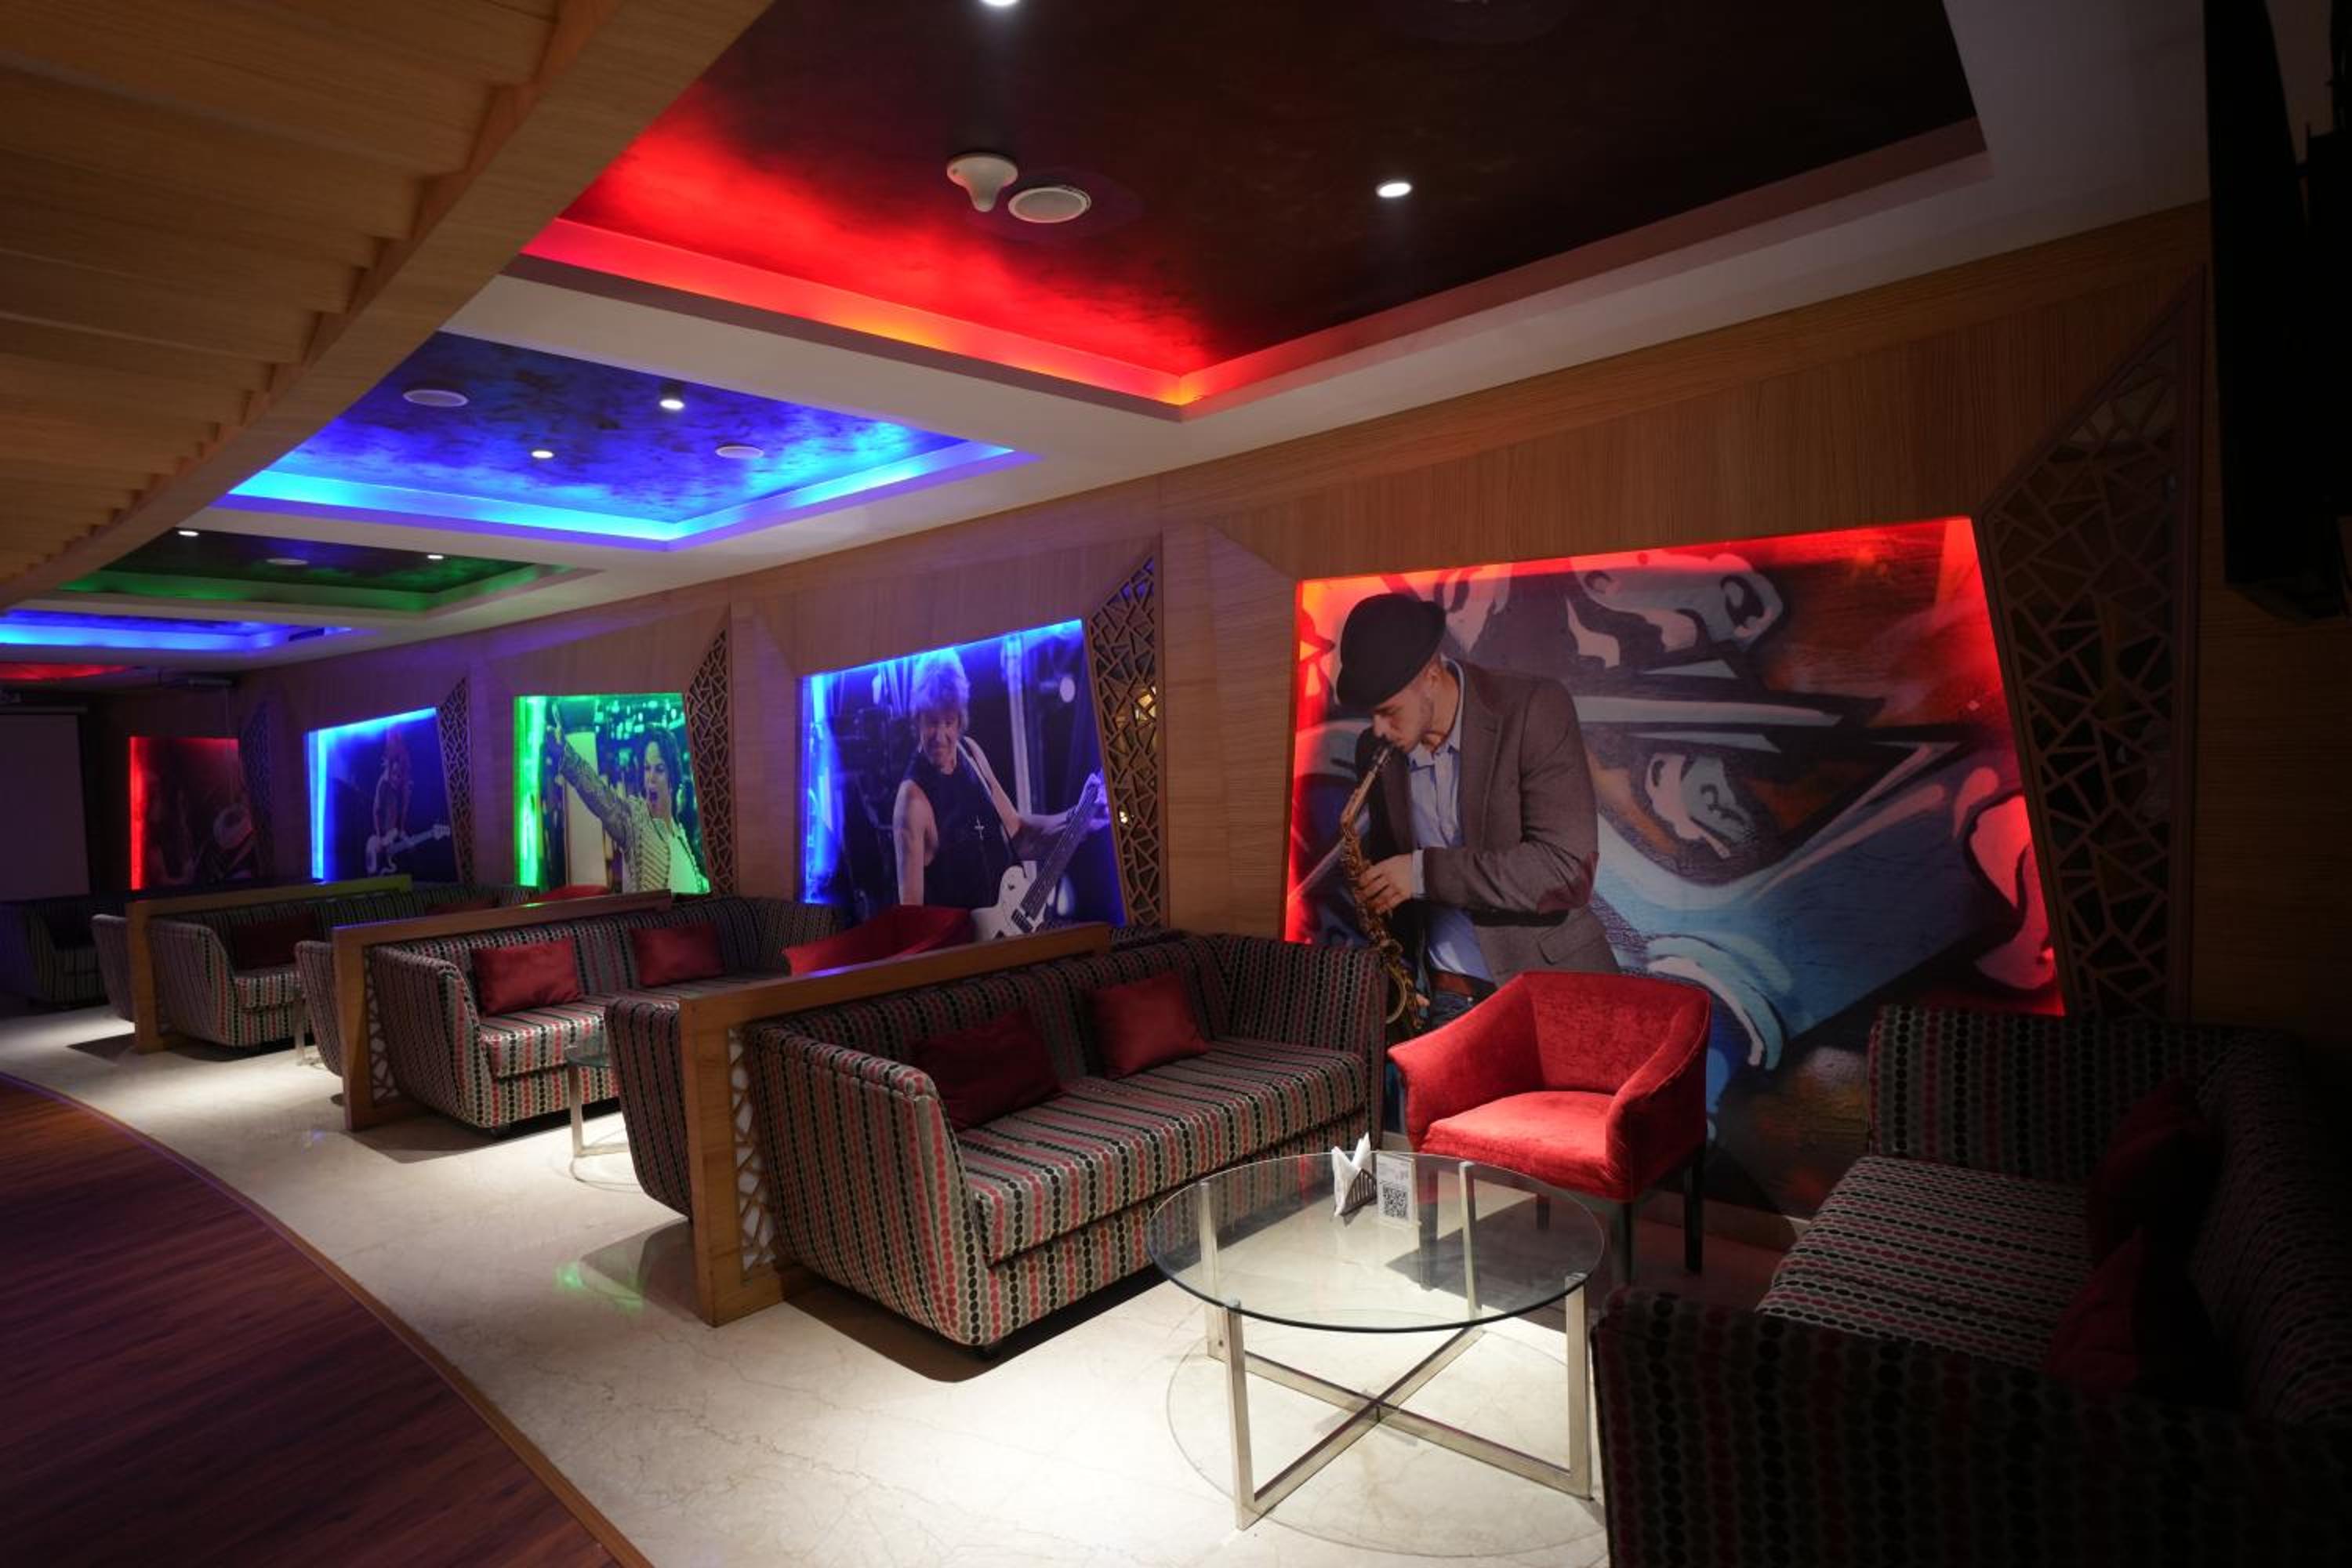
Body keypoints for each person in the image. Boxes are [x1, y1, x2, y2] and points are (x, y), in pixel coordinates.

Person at [1338, 591, 1616, 1051]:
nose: (1378, 729)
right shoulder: (1377, 751)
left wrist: (1421, 873)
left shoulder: (1533, 708)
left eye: (1388, 711)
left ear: (1431, 677)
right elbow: (1397, 880)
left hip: (1550, 991)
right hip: (1448, 997)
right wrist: (1394, 966)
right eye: (1371, 714)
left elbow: (1566, 870)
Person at [891, 648, 1104, 913]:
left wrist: (1080, 817)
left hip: (1011, 927)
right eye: (932, 722)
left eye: (948, 722)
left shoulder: (971, 754)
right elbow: (912, 918)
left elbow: (1021, 837)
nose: (940, 736)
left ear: (960, 721)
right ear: (917, 720)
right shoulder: (912, 800)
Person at [548, 728, 708, 894]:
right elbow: (600, 797)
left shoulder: (680, 835)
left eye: (659, 769)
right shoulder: (635, 822)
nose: (651, 778)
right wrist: (567, 757)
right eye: (647, 768)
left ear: (673, 778)